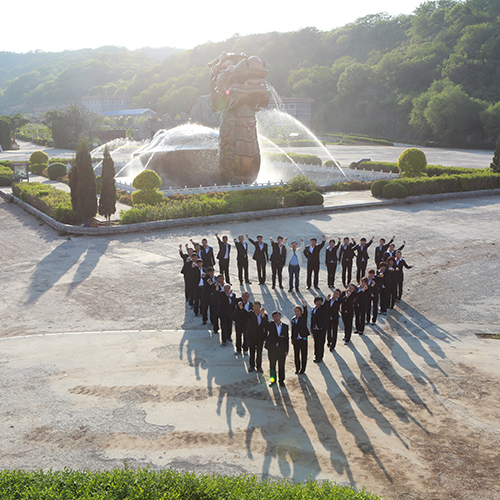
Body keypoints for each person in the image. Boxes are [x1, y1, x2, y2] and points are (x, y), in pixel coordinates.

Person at [264, 311, 289, 387]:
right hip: (272, 349)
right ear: (273, 318)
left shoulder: (285, 326)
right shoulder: (271, 325)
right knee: (272, 365)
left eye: (277, 316)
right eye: (274, 317)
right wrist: (262, 314)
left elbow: (286, 338)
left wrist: (287, 349)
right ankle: (272, 380)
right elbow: (264, 322)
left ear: (280, 316)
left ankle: (281, 381)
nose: (276, 318)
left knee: (281, 365)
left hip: (281, 349)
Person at [244, 301, 268, 372]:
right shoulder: (250, 314)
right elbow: (244, 313)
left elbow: (265, 326)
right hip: (251, 336)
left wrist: (265, 337)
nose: (256, 308)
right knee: (252, 352)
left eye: (257, 307)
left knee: (259, 352)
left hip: (260, 336)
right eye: (254, 307)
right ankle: (251, 366)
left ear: (260, 307)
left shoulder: (264, 315)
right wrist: (241, 308)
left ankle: (259, 366)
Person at [291, 298, 309, 374]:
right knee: (296, 354)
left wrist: (304, 305)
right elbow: (292, 329)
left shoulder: (303, 318)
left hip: (303, 338)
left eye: (298, 311)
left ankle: (303, 369)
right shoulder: (293, 319)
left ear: (301, 312)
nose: (296, 313)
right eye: (295, 311)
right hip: (296, 339)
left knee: (304, 354)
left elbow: (306, 312)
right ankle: (297, 368)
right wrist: (292, 338)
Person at [232, 291, 252, 355]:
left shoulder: (251, 305)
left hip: (247, 323)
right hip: (239, 323)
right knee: (238, 336)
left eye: (246, 297)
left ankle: (245, 349)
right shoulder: (239, 304)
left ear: (249, 297)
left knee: (246, 337)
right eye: (244, 296)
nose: (245, 298)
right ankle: (238, 349)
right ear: (241, 297)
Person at [310, 295, 328, 363]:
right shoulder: (313, 309)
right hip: (315, 329)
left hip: (321, 329)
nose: (319, 302)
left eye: (320, 301)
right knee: (316, 343)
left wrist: (327, 299)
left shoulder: (323, 308)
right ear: (315, 302)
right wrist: (311, 327)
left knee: (320, 343)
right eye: (317, 301)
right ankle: (316, 355)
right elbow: (312, 319)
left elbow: (325, 305)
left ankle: (320, 357)